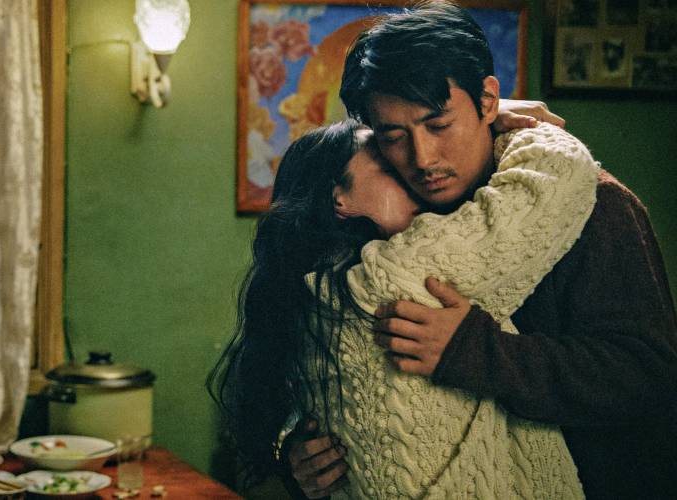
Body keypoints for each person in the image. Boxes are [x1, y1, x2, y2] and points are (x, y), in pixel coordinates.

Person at [288, 2, 677, 499]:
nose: (423, 158)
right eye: (394, 137)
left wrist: (481, 352)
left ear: (488, 101)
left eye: (439, 125)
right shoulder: (392, 222)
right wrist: (296, 447)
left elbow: (650, 374)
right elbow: (325, 361)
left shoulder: (592, 205)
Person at [210, 112, 601, 498]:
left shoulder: (312, 293)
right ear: (338, 198)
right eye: (388, 167)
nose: (415, 175)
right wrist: (486, 120)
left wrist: (288, 449)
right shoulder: (395, 274)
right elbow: (557, 174)